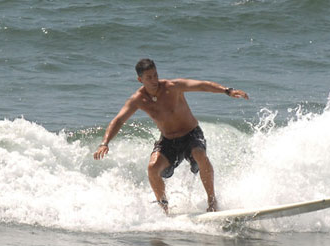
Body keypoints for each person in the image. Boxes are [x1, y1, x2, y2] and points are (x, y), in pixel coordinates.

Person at [93, 59, 249, 214]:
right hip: (168, 140)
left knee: (199, 155)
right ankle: (164, 209)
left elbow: (201, 85)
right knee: (152, 168)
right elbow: (119, 119)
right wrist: (105, 143)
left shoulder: (172, 87)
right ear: (140, 80)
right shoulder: (138, 100)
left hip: (191, 134)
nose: (154, 80)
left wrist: (227, 90)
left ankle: (212, 201)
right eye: (149, 77)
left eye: (155, 75)